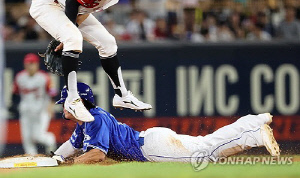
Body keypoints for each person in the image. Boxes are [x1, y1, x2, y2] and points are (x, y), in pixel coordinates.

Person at [29, 0, 157, 122]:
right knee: (74, 38)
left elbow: (83, 10)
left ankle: (122, 95)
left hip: (67, 7)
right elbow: (72, 3)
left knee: (108, 43)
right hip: (49, 4)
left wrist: (67, 32)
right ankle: (72, 99)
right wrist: (68, 35)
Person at [52, 82, 280, 164]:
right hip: (152, 140)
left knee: (207, 153)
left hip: (151, 148)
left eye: (66, 102)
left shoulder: (95, 119)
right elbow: (71, 146)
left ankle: (253, 134)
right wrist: (56, 158)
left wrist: (72, 164)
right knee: (205, 144)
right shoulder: (85, 121)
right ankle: (255, 121)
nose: (63, 106)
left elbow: (97, 154)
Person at [12, 53, 57, 155]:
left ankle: (51, 141)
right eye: (27, 63)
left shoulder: (44, 77)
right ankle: (32, 161)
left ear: (37, 64)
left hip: (41, 111)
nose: (29, 66)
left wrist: (50, 107)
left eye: (32, 63)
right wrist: (14, 106)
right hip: (26, 111)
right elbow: (14, 93)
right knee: (27, 138)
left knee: (39, 136)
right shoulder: (20, 77)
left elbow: (53, 93)